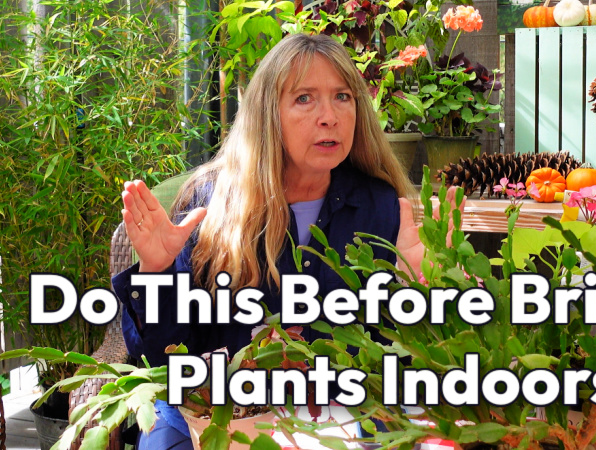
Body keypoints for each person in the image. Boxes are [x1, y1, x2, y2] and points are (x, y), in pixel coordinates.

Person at [111, 33, 456, 448]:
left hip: (341, 405)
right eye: (304, 98)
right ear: (266, 114)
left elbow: (396, 356)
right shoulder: (209, 201)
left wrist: (426, 283)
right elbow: (163, 356)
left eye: (342, 97)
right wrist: (157, 270)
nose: (329, 116)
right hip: (216, 408)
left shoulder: (381, 205)